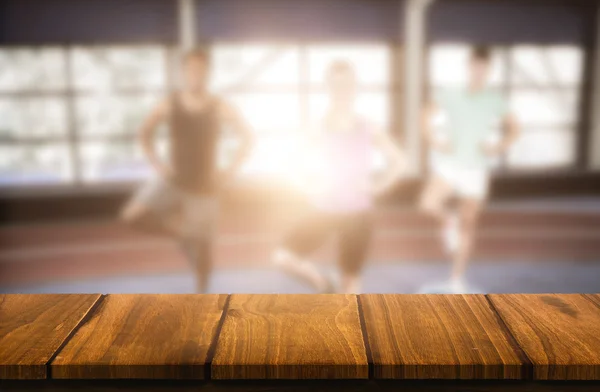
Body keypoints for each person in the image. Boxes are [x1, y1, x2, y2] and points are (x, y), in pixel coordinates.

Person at [120, 49, 254, 293]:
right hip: (174, 179)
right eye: (191, 70)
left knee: (204, 257)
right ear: (184, 73)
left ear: (207, 73)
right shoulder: (170, 104)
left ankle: (201, 300)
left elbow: (247, 137)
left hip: (205, 186)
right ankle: (181, 233)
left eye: (200, 70)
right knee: (133, 216)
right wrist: (159, 165)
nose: (196, 75)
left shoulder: (219, 106)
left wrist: (230, 170)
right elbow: (145, 133)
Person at [271, 60, 405, 294]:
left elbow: (400, 161)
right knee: (282, 257)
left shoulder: (369, 126)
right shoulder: (318, 127)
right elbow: (288, 162)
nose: (341, 90)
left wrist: (378, 185)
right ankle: (323, 284)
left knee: (351, 287)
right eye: (336, 85)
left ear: (354, 88)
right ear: (329, 89)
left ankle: (352, 323)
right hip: (323, 209)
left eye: (346, 85)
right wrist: (308, 186)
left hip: (357, 214)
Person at [419, 46, 519, 293]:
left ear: (488, 71)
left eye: (483, 69)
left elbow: (514, 128)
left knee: (468, 224)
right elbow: (424, 115)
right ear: (468, 67)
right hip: (451, 163)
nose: (478, 72)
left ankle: (456, 280)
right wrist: (434, 140)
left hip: (476, 168)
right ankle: (447, 220)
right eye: (475, 67)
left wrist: (498, 147)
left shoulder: (494, 99)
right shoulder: (451, 93)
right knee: (428, 203)